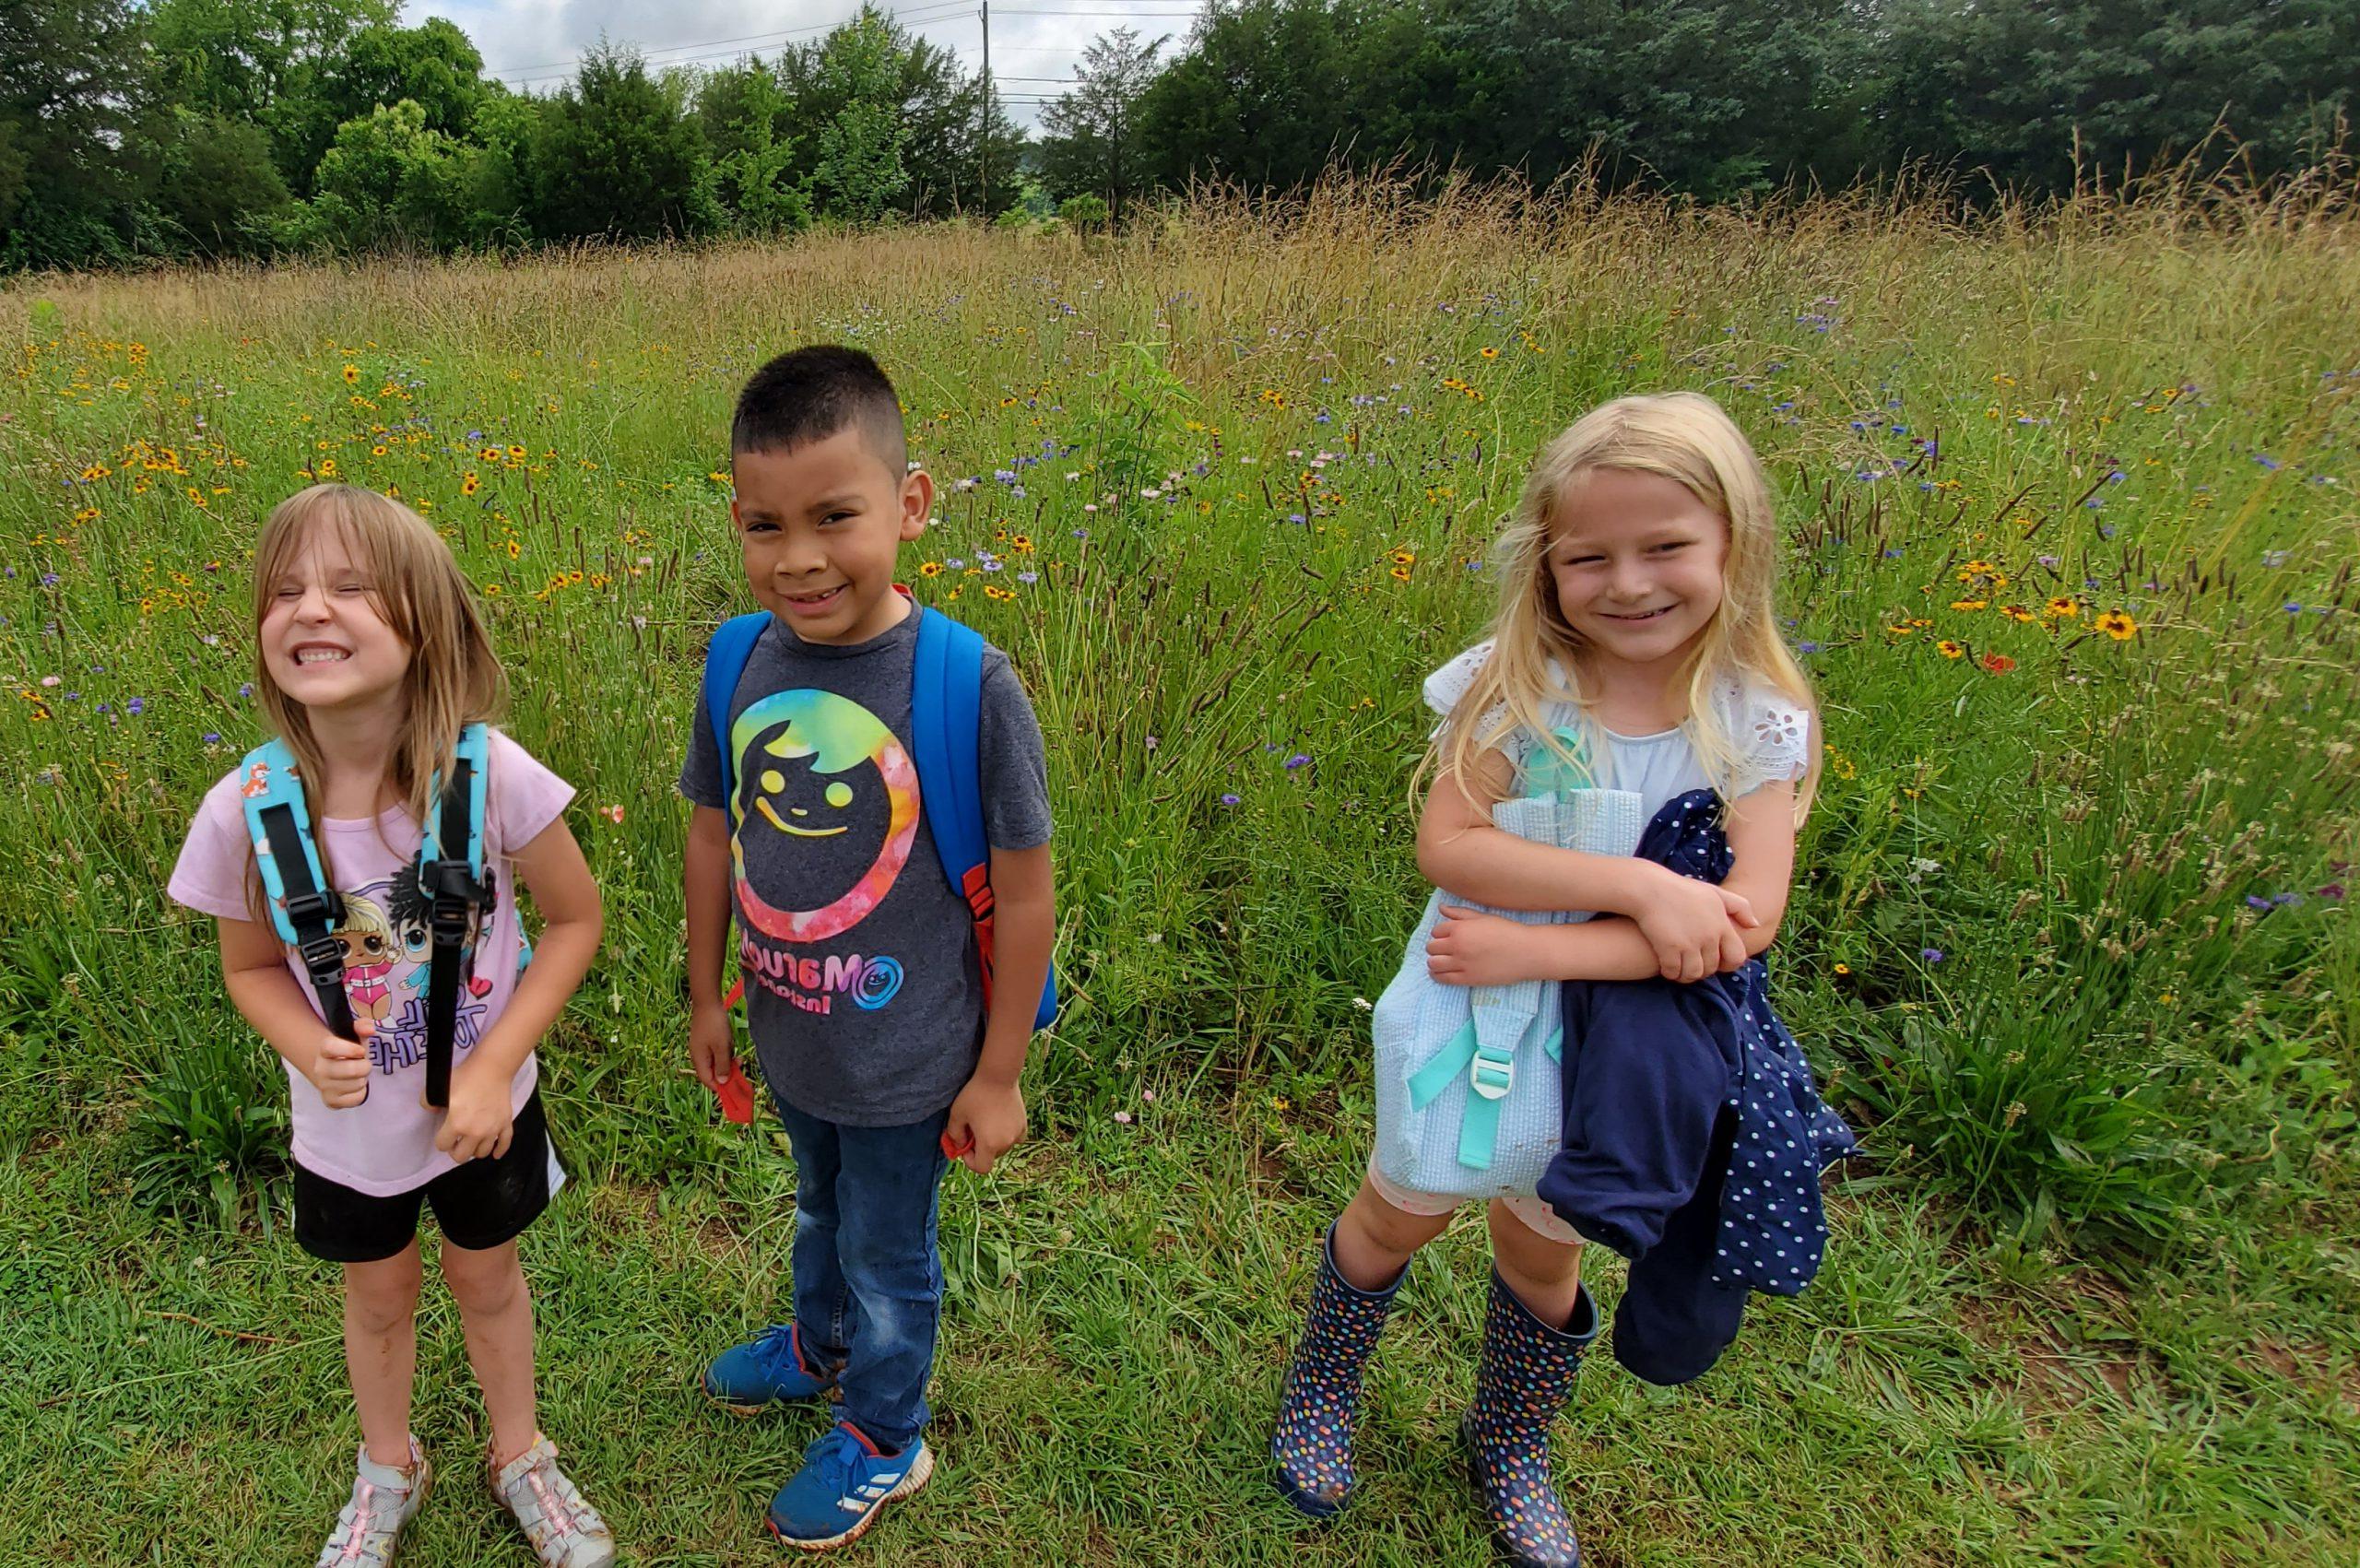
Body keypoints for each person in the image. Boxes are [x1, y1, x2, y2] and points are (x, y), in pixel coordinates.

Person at [1270, 393, 1848, 1567]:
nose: (1628, 582)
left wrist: (1551, 943)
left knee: (1544, 1240)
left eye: (1666, 548)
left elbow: (1741, 928)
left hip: (1621, 1047)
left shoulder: (1756, 721)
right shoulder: (1515, 685)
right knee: (1402, 1204)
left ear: (1736, 544)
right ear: (1546, 566)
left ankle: (1510, 1444)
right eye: (1590, 556)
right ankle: (1323, 1390)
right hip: (1470, 1014)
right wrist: (1643, 890)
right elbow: (1452, 844)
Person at [167, 484, 614, 1567]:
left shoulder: (491, 776)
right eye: (284, 591)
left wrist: (495, 1061)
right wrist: (298, 1040)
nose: (310, 608)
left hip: (485, 1111)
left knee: (488, 1279)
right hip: (350, 1133)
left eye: (350, 587)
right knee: (377, 1300)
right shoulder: (246, 811)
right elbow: (252, 966)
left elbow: (574, 919)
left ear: (427, 625)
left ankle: (521, 1456)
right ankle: (386, 1467)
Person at [679, 346, 1056, 1551]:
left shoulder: (965, 683)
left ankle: (888, 1433)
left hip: (913, 1063)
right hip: (796, 1037)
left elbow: (1029, 894)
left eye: (835, 516)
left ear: (912, 502)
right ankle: (816, 1344)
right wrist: (706, 996)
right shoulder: (738, 658)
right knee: (816, 1208)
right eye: (764, 524)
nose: (799, 558)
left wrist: (997, 1074)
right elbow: (710, 830)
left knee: (892, 1254)